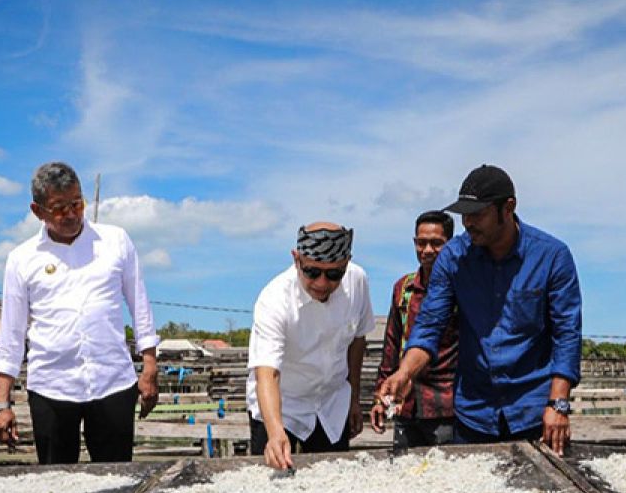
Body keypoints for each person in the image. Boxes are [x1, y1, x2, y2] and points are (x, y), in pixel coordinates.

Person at [379, 165, 582, 453]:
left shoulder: (552, 256)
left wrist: (558, 404)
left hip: (535, 411)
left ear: (508, 207)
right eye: (464, 214)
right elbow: (429, 326)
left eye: (477, 214)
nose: (467, 223)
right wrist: (404, 373)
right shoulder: (454, 257)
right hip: (474, 414)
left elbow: (567, 335)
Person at [0, 161, 160, 463]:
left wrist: (149, 367)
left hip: (113, 383)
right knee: (57, 483)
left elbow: (140, 306)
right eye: (59, 208)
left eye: (76, 204)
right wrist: (2, 403)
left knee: (117, 478)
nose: (71, 214)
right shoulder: (21, 259)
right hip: (51, 387)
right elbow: (12, 336)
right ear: (38, 211)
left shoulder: (115, 241)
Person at [247, 221, 376, 469]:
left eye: (334, 274)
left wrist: (354, 399)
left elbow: (357, 341)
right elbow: (267, 373)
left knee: (333, 480)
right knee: (271, 485)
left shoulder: (358, 281)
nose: (322, 283)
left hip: (331, 404)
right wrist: (275, 432)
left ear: (347, 263)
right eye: (312, 272)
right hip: (282, 406)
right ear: (297, 259)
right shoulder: (273, 299)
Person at [370, 210, 459, 448]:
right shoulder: (404, 288)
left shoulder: (461, 288)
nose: (427, 250)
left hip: (447, 407)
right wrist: (381, 396)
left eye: (436, 243)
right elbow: (391, 346)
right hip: (405, 405)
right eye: (421, 243)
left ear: (450, 245)